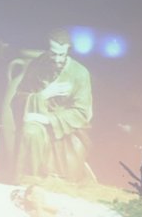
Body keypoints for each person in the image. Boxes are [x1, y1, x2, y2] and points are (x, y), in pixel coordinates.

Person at [11, 28, 92, 182]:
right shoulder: (36, 67)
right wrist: (43, 95)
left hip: (67, 129)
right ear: (47, 50)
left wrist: (49, 119)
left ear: (68, 51)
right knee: (30, 132)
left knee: (68, 176)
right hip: (36, 122)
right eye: (53, 54)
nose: (57, 59)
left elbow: (81, 113)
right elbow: (17, 99)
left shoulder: (80, 73)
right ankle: (31, 180)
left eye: (62, 55)